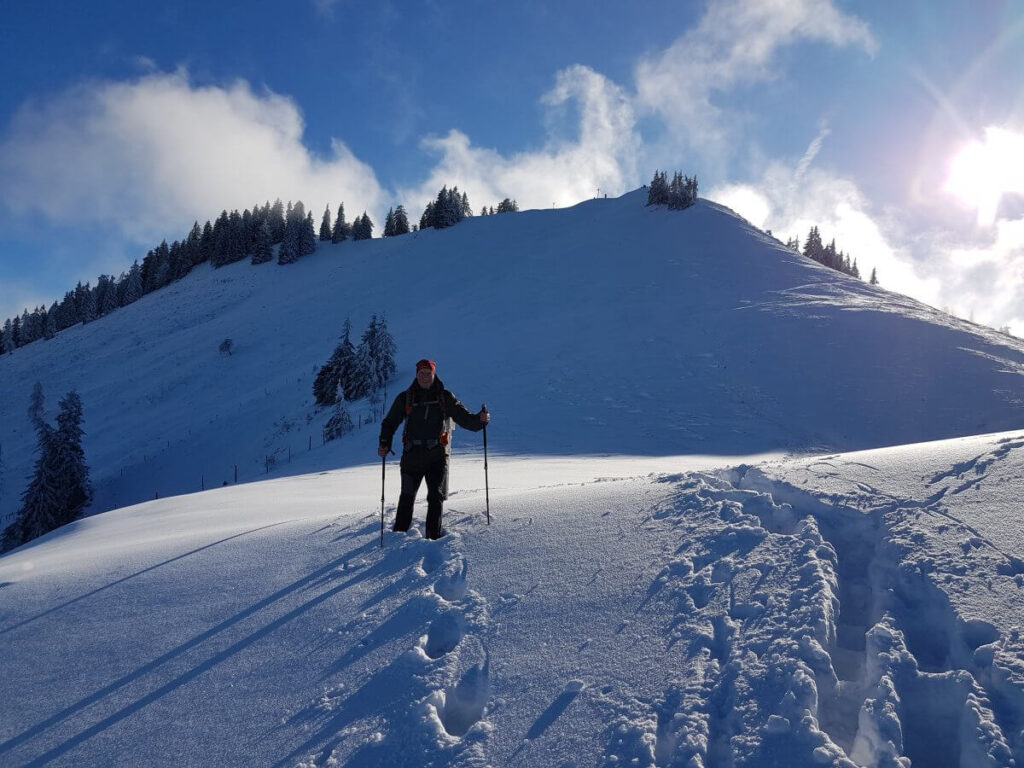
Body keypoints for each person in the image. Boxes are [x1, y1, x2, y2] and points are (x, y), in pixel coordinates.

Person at [378, 359, 490, 539]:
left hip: (436, 456)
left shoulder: (445, 397)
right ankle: (397, 537)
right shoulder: (405, 397)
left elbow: (464, 418)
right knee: (407, 496)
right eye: (421, 373)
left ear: (433, 374)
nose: (424, 376)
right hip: (411, 456)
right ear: (416, 374)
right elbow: (389, 422)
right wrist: (384, 443)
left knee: (435, 497)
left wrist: (480, 420)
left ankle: (433, 537)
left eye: (428, 373)